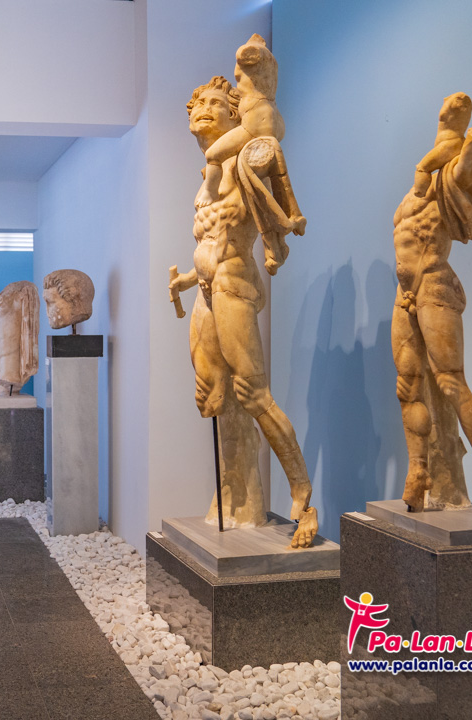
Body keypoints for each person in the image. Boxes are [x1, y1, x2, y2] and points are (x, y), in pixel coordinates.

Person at [170, 75, 317, 548]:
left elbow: (268, 131)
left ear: (235, 113)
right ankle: (236, 499)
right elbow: (211, 241)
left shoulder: (243, 159)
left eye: (215, 102)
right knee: (214, 399)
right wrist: (187, 278)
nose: (202, 109)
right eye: (197, 103)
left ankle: (302, 494)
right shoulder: (206, 177)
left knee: (252, 394)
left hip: (233, 286)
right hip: (205, 292)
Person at [392, 93, 472, 510]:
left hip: (434, 285)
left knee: (450, 381)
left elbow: (469, 168)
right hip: (404, 294)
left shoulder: (450, 177)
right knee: (408, 385)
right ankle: (418, 469)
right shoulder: (415, 190)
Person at [195, 34, 286, 210]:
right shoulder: (270, 65)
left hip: (255, 122)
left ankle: (211, 192)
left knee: (212, 155)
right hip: (276, 121)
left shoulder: (247, 56)